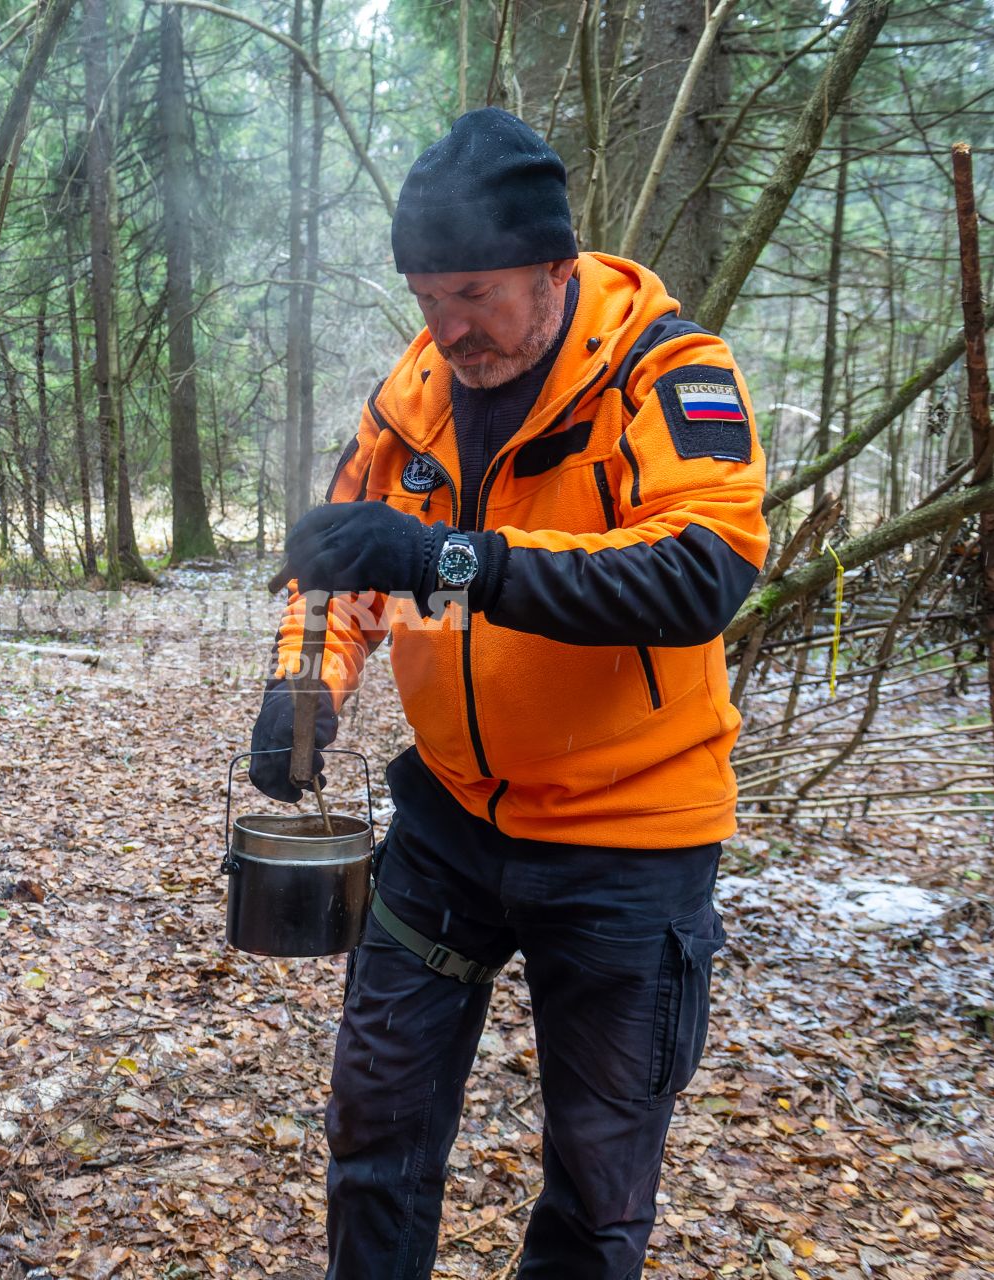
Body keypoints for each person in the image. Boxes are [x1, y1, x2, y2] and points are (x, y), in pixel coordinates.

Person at [250, 108, 768, 1278]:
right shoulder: (413, 393)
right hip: (448, 823)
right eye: (429, 297)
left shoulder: (668, 372)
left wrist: (452, 559)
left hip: (628, 844)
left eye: (474, 293)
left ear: (553, 264)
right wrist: (304, 687)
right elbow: (337, 561)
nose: (449, 328)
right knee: (375, 1123)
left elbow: (700, 573)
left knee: (595, 1185)